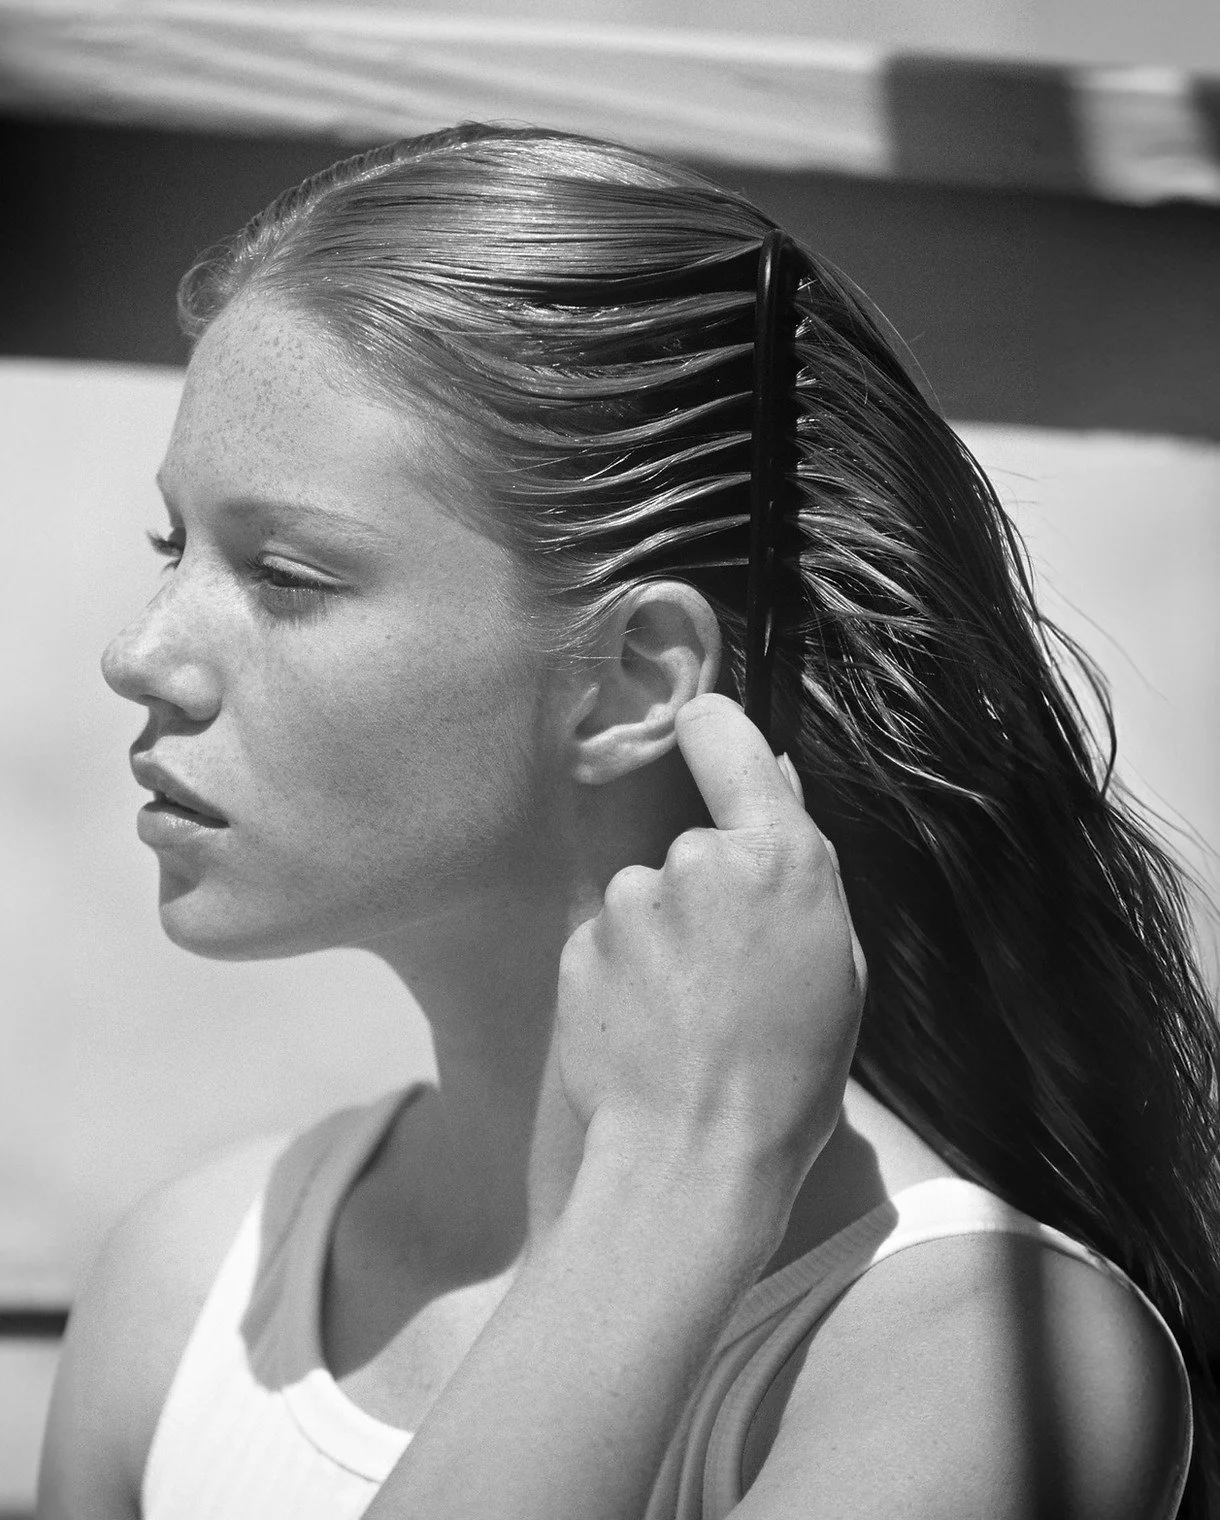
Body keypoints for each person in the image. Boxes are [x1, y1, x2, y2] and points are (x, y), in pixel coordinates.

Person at [37, 123, 1220, 1519]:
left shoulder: (967, 1360)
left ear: (638, 678)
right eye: (177, 548)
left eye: (287, 575)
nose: (141, 652)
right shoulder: (190, 1286)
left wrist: (673, 1180)